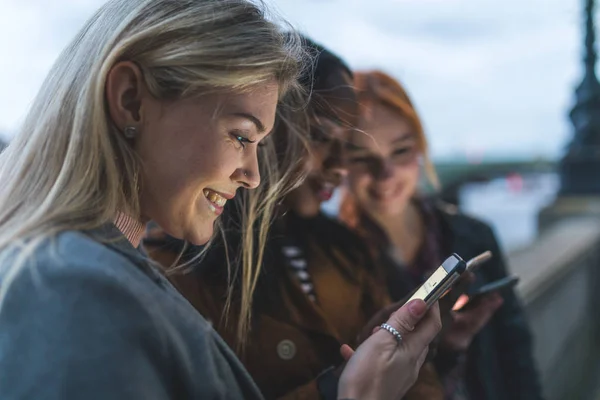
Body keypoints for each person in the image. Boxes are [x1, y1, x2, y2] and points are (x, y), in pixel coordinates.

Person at [0, 2, 441, 399]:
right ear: (130, 99)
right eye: (240, 136)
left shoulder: (95, 271)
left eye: (259, 143)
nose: (252, 176)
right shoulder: (74, 290)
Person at [145, 36, 444, 400]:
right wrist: (341, 387)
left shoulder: (346, 250)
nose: (339, 165)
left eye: (347, 146)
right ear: (265, 128)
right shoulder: (175, 269)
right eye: (319, 137)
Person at [340, 70, 544, 400]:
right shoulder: (330, 258)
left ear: (421, 150)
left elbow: (515, 353)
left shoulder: (475, 235)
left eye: (401, 151)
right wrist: (443, 349)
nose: (385, 174)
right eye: (363, 157)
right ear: (341, 163)